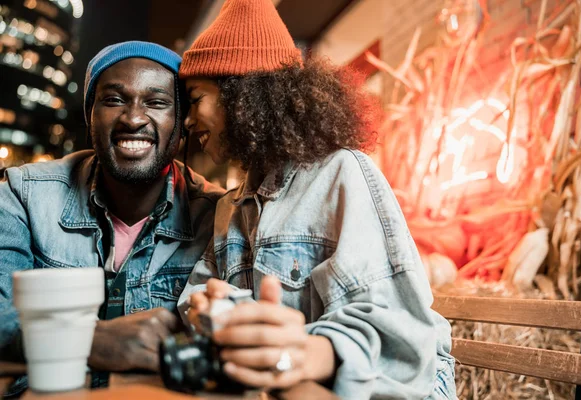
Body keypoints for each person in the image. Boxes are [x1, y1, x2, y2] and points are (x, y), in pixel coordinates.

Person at [176, 1, 456, 399]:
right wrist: (215, 310)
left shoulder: (341, 174)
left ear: (241, 98)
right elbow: (196, 301)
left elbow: (400, 337)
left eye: (195, 98)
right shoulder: (231, 207)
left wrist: (305, 353)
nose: (188, 120)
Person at [0, 41, 224, 394]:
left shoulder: (218, 217)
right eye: (114, 100)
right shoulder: (24, 194)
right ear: (90, 116)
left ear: (182, 126)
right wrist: (88, 341)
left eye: (156, 102)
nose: (133, 118)